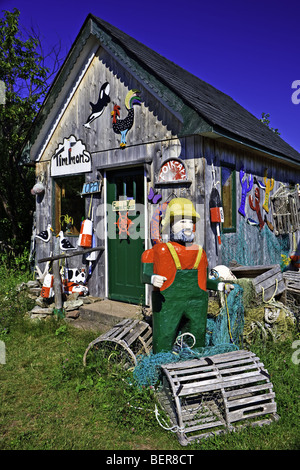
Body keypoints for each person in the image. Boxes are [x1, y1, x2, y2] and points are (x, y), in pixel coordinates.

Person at [141, 198, 224, 354]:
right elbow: (144, 274)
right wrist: (152, 278)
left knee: (196, 341)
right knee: (164, 341)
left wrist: (219, 285)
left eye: (190, 222)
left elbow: (205, 281)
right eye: (181, 221)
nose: (187, 226)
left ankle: (195, 369)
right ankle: (163, 369)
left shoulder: (200, 252)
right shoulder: (160, 251)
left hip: (197, 304)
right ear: (170, 225)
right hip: (167, 305)